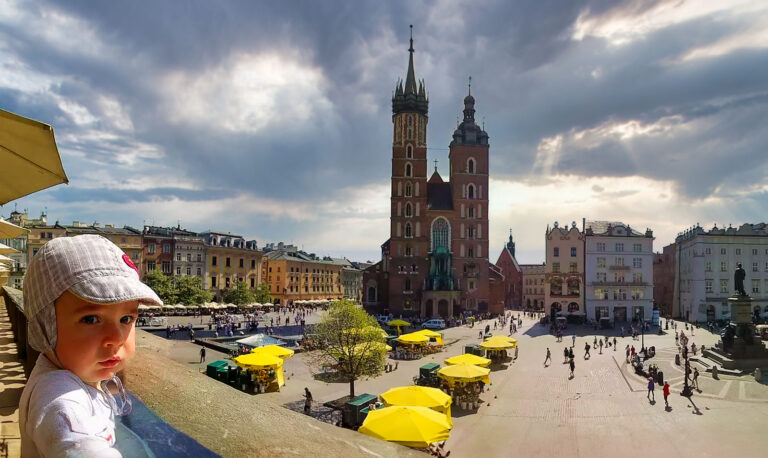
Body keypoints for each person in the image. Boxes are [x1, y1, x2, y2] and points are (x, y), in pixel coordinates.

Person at [19, 235, 163, 457]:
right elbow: (77, 446)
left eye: (126, 319)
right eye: (91, 319)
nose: (116, 338)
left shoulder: (69, 372)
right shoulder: (59, 399)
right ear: (44, 327)